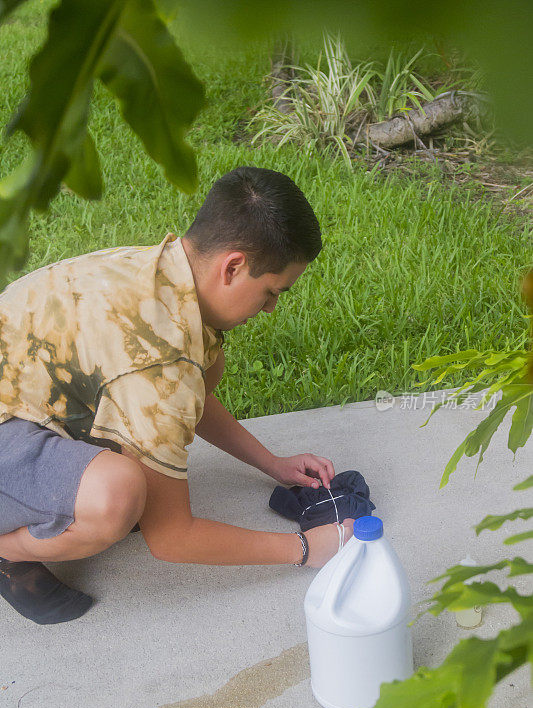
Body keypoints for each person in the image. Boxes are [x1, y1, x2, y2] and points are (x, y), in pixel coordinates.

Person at [0, 166, 353, 625]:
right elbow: (172, 539)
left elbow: (184, 398)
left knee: (207, 364)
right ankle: (8, 550)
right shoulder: (158, 355)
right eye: (271, 291)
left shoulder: (167, 271)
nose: (271, 308)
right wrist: (306, 549)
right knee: (117, 497)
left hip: (25, 397)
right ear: (233, 266)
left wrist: (273, 463)